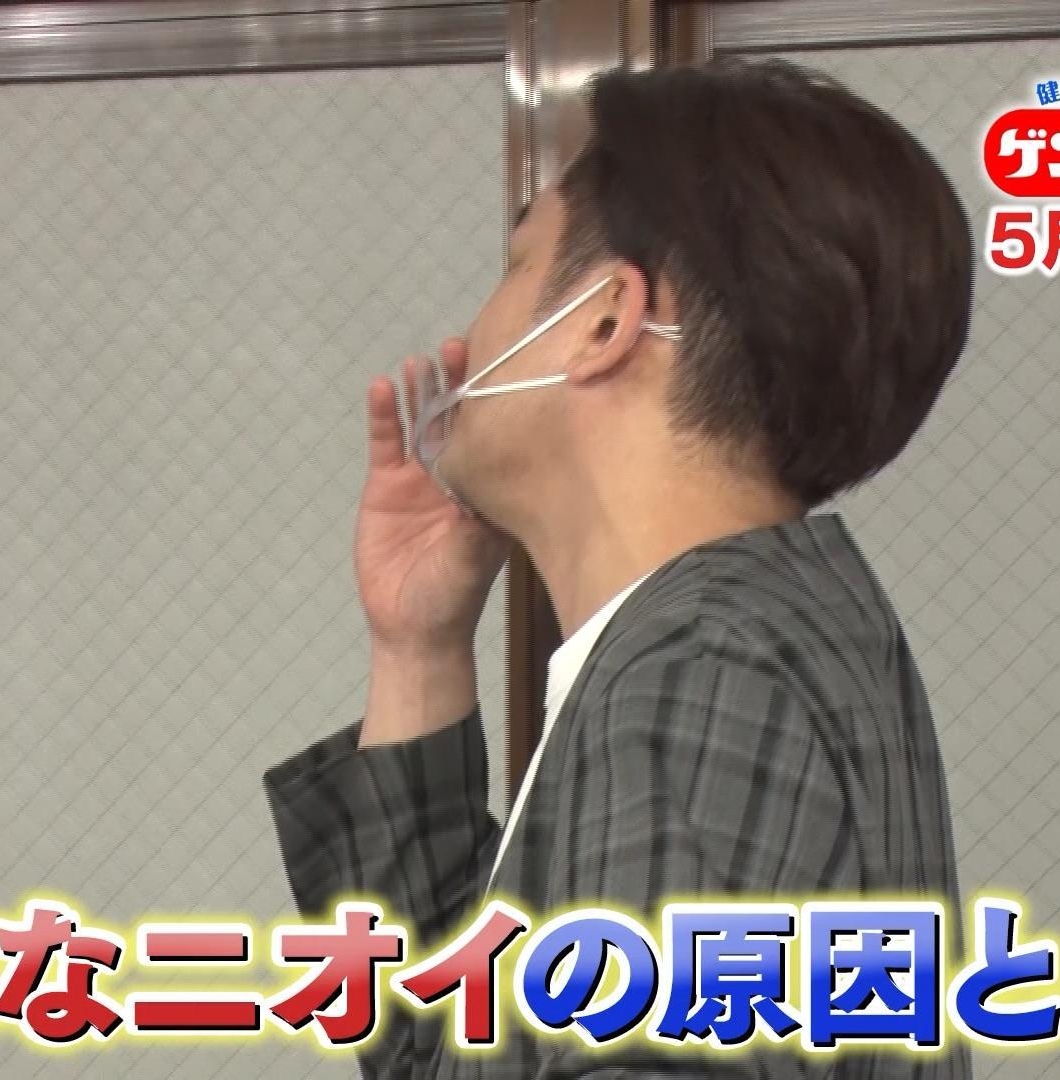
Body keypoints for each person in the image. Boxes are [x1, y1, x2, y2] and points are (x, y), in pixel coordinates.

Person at [263, 57, 975, 1079]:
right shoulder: (754, 633)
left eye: (517, 265)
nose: (468, 337)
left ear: (603, 320)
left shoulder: (701, 671)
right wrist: (418, 648)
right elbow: (448, 1043)